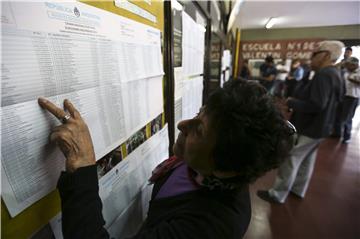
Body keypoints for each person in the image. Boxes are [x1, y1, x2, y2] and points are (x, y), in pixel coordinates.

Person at [38, 80, 294, 239]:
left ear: (225, 170)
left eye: (199, 130)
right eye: (198, 113)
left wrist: (83, 164)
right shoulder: (200, 167)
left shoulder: (211, 227)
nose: (182, 124)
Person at [257, 40, 344, 204]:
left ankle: (277, 194)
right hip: (322, 127)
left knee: (291, 157)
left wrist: (291, 102)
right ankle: (298, 189)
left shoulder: (324, 75)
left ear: (325, 55)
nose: (311, 59)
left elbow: (317, 104)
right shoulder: (336, 74)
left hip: (311, 127)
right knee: (306, 160)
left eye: (314, 55)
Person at [333, 57, 360, 144]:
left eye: (349, 65)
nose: (347, 66)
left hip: (352, 97)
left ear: (354, 65)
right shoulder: (345, 71)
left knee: (347, 117)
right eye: (347, 64)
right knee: (338, 115)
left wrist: (351, 79)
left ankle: (346, 136)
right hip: (343, 95)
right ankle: (336, 133)